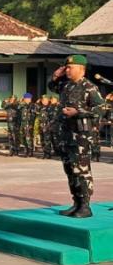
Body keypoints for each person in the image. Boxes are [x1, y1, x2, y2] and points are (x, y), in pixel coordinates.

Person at [48, 55, 105, 218]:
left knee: (81, 170)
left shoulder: (89, 87)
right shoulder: (66, 86)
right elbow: (52, 87)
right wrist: (55, 76)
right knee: (70, 170)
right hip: (66, 135)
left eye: (70, 67)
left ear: (81, 69)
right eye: (66, 67)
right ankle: (76, 202)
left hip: (81, 137)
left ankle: (86, 206)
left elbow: (102, 108)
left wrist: (78, 112)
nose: (67, 70)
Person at [16, 93, 36, 157]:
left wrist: (31, 124)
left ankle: (30, 151)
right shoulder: (22, 105)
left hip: (29, 123)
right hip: (22, 123)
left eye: (28, 98)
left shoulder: (32, 105)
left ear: (30, 99)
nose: (27, 100)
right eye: (25, 98)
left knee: (29, 138)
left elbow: (34, 115)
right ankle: (26, 149)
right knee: (22, 137)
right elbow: (17, 107)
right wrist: (20, 101)